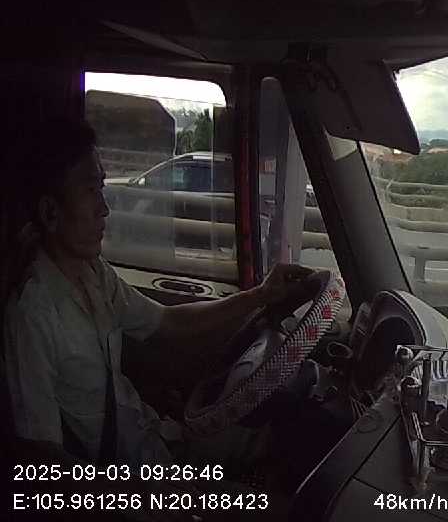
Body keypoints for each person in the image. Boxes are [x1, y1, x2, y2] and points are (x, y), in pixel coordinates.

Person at [3, 117, 315, 466]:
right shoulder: (31, 315)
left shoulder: (94, 273)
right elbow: (43, 461)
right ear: (50, 212)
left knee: (281, 441)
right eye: (90, 191)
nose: (104, 208)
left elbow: (167, 321)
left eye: (101, 189)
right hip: (129, 481)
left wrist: (259, 295)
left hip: (158, 440)